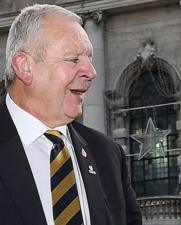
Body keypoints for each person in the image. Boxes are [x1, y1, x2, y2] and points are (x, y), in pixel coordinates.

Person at [0, 4, 142, 225]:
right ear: (25, 66)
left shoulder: (108, 154)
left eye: (89, 58)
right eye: (73, 60)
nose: (91, 73)